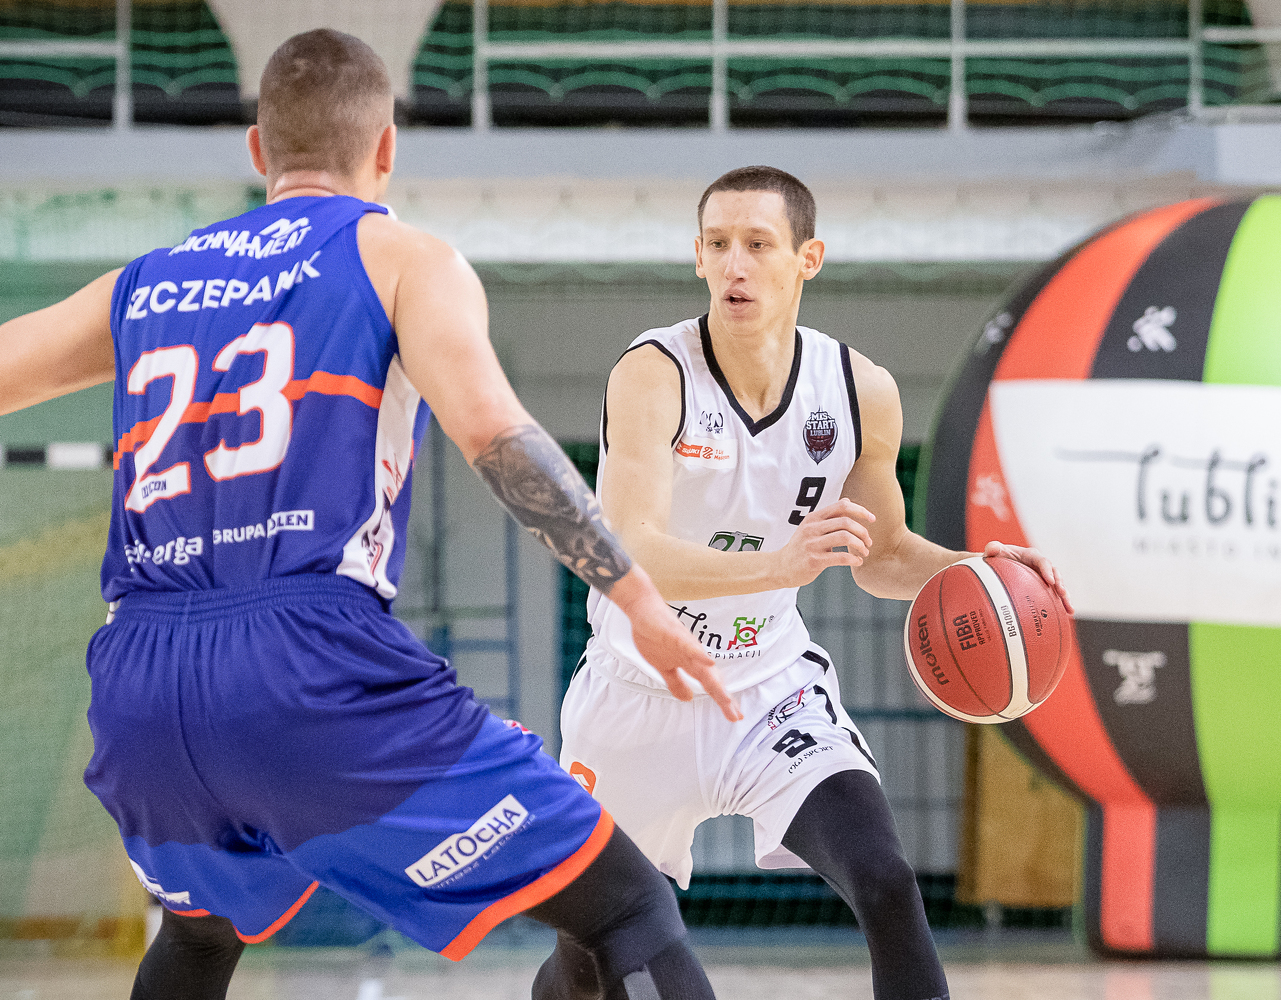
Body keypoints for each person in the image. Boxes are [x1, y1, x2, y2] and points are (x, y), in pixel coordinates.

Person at [0, 29, 742, 1000]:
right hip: (307, 662)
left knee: (198, 935)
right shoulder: (399, 258)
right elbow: (496, 435)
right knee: (628, 908)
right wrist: (636, 594)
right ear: (386, 147)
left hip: (141, 686)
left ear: (258, 149)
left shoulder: (146, 283)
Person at [550, 166, 1073, 1000]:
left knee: (886, 881)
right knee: (588, 954)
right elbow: (628, 550)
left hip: (769, 690)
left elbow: (880, 554)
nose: (736, 265)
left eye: (758, 244)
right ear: (697, 257)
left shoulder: (860, 392)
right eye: (718, 245)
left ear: (808, 259)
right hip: (637, 695)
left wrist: (978, 569)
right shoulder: (653, 373)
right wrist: (779, 566)